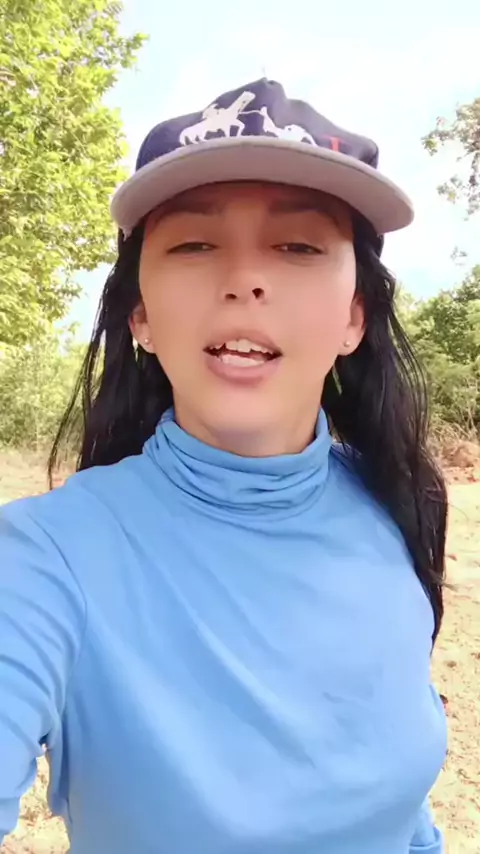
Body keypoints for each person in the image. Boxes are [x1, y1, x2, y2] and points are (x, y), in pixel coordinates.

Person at [0, 78, 448, 853]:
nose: (245, 279)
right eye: (195, 244)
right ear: (141, 316)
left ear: (354, 318)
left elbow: (403, 817)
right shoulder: (43, 561)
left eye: (299, 245)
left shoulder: (393, 505)